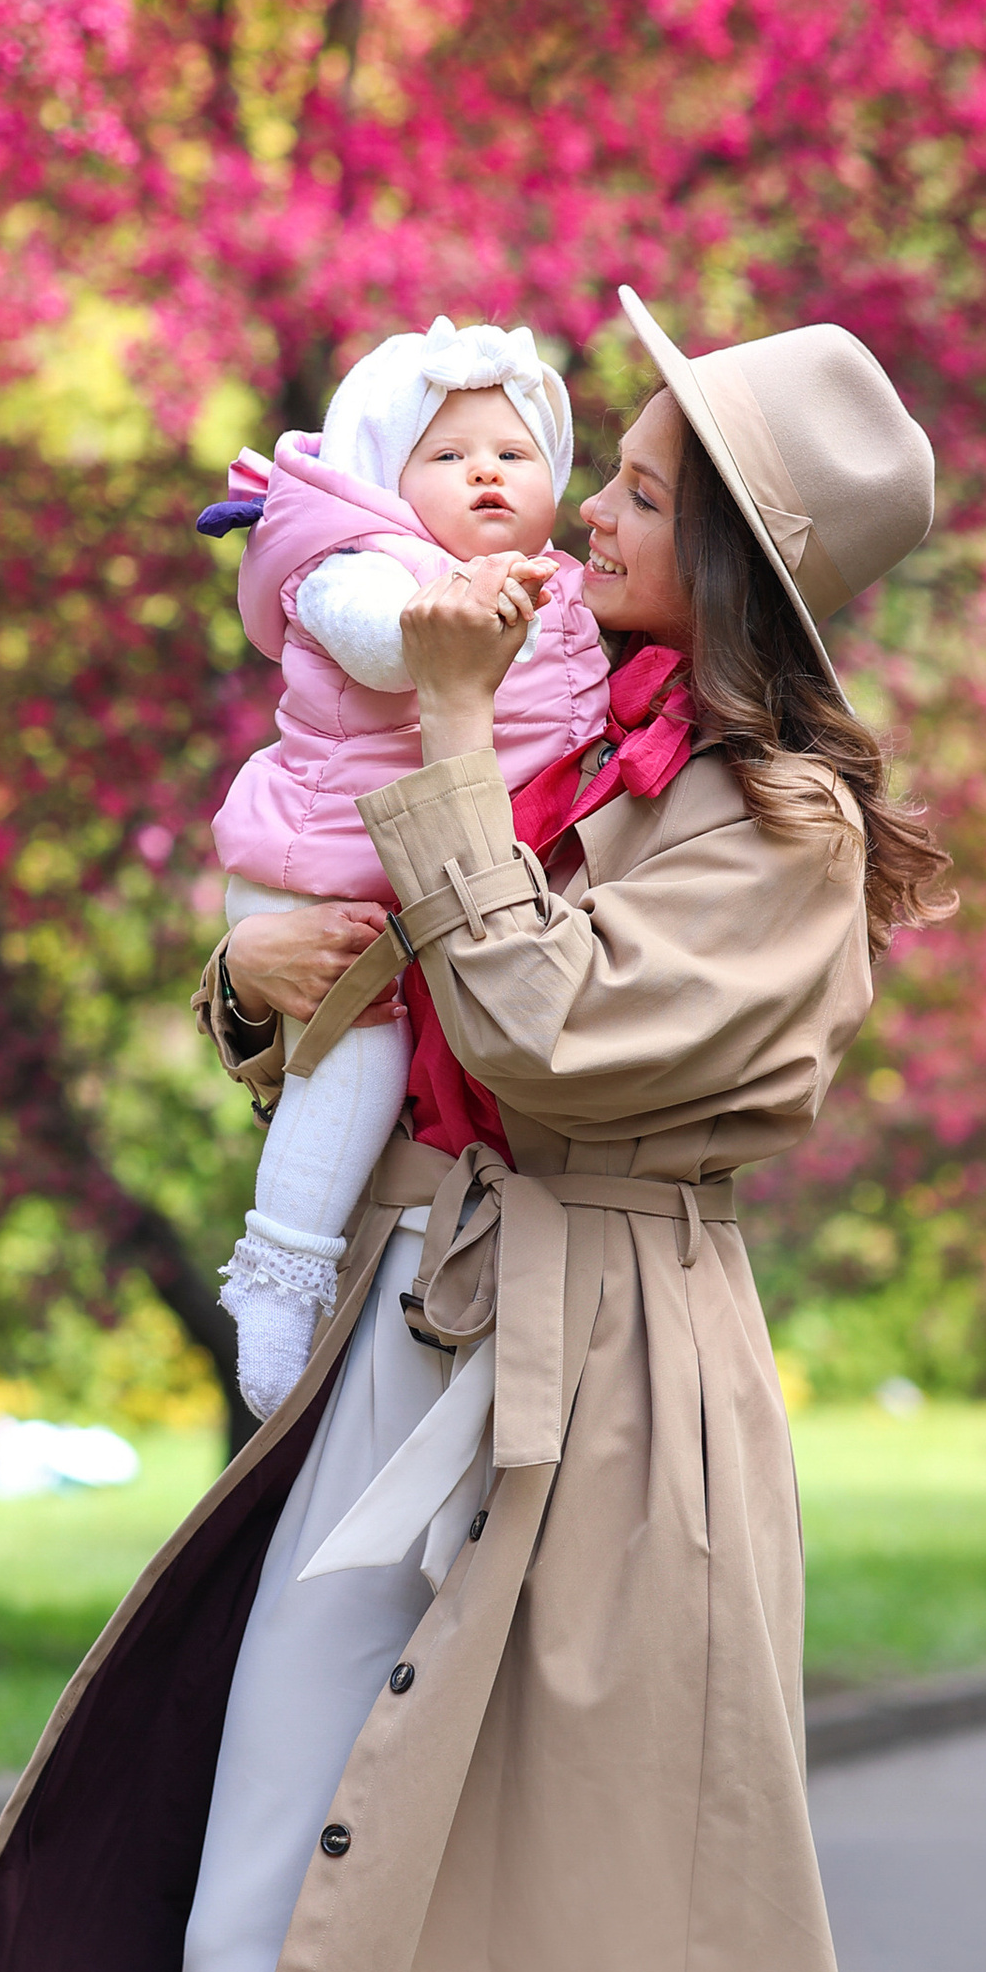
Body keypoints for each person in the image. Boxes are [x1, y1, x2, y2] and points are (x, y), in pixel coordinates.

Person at [0, 288, 952, 1972]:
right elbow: (362, 970)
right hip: (413, 1346)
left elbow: (554, 1035)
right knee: (260, 1950)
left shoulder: (765, 830)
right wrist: (246, 986)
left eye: (644, 492)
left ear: (751, 566)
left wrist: (449, 744)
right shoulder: (556, 722)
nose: (583, 509)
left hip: (632, 1395)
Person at [209, 314, 608, 1415]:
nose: (486, 471)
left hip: (418, 883)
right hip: (320, 870)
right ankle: (279, 1268)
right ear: (386, 477)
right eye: (448, 455)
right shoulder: (357, 566)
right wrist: (461, 623)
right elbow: (389, 646)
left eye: (514, 454)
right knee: (355, 1065)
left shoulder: (564, 591)